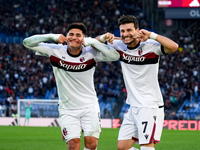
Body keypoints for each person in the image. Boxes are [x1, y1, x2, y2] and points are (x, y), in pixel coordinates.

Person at [23, 23, 120, 150]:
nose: (74, 37)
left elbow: (115, 56)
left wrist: (92, 41)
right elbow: (26, 42)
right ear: (66, 36)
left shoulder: (91, 53)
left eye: (78, 35)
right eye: (71, 34)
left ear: (83, 38)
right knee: (73, 145)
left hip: (89, 106)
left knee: (92, 144)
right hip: (68, 108)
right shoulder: (55, 50)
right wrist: (53, 36)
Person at [97, 15, 178, 150]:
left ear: (137, 30)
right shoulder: (119, 45)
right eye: (122, 31)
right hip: (133, 106)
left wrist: (152, 35)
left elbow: (174, 46)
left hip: (149, 105)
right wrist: (103, 38)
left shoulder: (151, 46)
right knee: (122, 147)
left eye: (129, 30)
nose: (125, 34)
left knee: (146, 146)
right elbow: (92, 44)